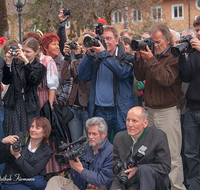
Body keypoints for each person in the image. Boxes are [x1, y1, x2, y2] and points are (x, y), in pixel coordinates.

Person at [134, 23, 185, 190]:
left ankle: (177, 187)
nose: (154, 45)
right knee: (153, 153)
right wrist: (139, 58)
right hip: (151, 110)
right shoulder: (151, 55)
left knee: (172, 153)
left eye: (157, 42)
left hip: (168, 111)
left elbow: (167, 80)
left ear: (168, 40)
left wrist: (151, 60)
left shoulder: (174, 56)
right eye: (152, 42)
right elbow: (139, 76)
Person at [77, 25, 137, 140]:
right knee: (101, 148)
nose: (105, 42)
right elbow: (82, 75)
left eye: (108, 38)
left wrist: (103, 54)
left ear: (116, 40)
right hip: (100, 111)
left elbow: (122, 72)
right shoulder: (96, 57)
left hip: (120, 111)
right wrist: (89, 54)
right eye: (103, 39)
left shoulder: (126, 57)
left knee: (123, 146)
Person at [45, 117, 113, 190]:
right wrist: (74, 162)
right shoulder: (87, 148)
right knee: (55, 180)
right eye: (89, 133)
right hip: (82, 187)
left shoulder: (111, 152)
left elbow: (103, 181)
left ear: (104, 134)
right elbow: (77, 182)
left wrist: (81, 170)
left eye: (94, 134)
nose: (90, 137)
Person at [111, 106, 171, 190]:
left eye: (134, 121)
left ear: (145, 123)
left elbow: (165, 167)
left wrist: (137, 169)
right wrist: (117, 188)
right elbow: (116, 169)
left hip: (155, 184)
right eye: (128, 120)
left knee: (144, 169)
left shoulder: (158, 136)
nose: (130, 124)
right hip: (131, 184)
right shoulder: (119, 138)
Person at [2, 38, 46, 137]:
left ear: (36, 52)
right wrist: (8, 62)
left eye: (28, 52)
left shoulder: (40, 67)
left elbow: (33, 80)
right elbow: (6, 80)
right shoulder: (15, 63)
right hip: (13, 104)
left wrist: (26, 62)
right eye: (23, 51)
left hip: (29, 106)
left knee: (29, 134)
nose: (24, 54)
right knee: (13, 134)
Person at [0, 117, 53, 190]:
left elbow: (33, 172)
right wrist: (2, 142)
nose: (33, 130)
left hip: (29, 178)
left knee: (41, 184)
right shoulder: (19, 137)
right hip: (12, 179)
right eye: (32, 126)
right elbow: (1, 159)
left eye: (37, 128)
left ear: (44, 133)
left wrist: (18, 156)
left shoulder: (47, 151)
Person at [178, 16, 200, 189]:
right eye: (197, 30)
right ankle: (193, 185)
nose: (198, 33)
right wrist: (180, 56)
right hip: (192, 109)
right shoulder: (193, 51)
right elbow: (187, 77)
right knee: (190, 153)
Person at [62, 36, 91, 142]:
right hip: (74, 107)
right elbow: (65, 76)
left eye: (83, 44)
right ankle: (77, 160)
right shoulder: (75, 59)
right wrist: (66, 57)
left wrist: (78, 56)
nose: (80, 47)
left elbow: (81, 74)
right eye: (79, 44)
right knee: (76, 143)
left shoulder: (93, 60)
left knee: (92, 143)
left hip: (87, 109)